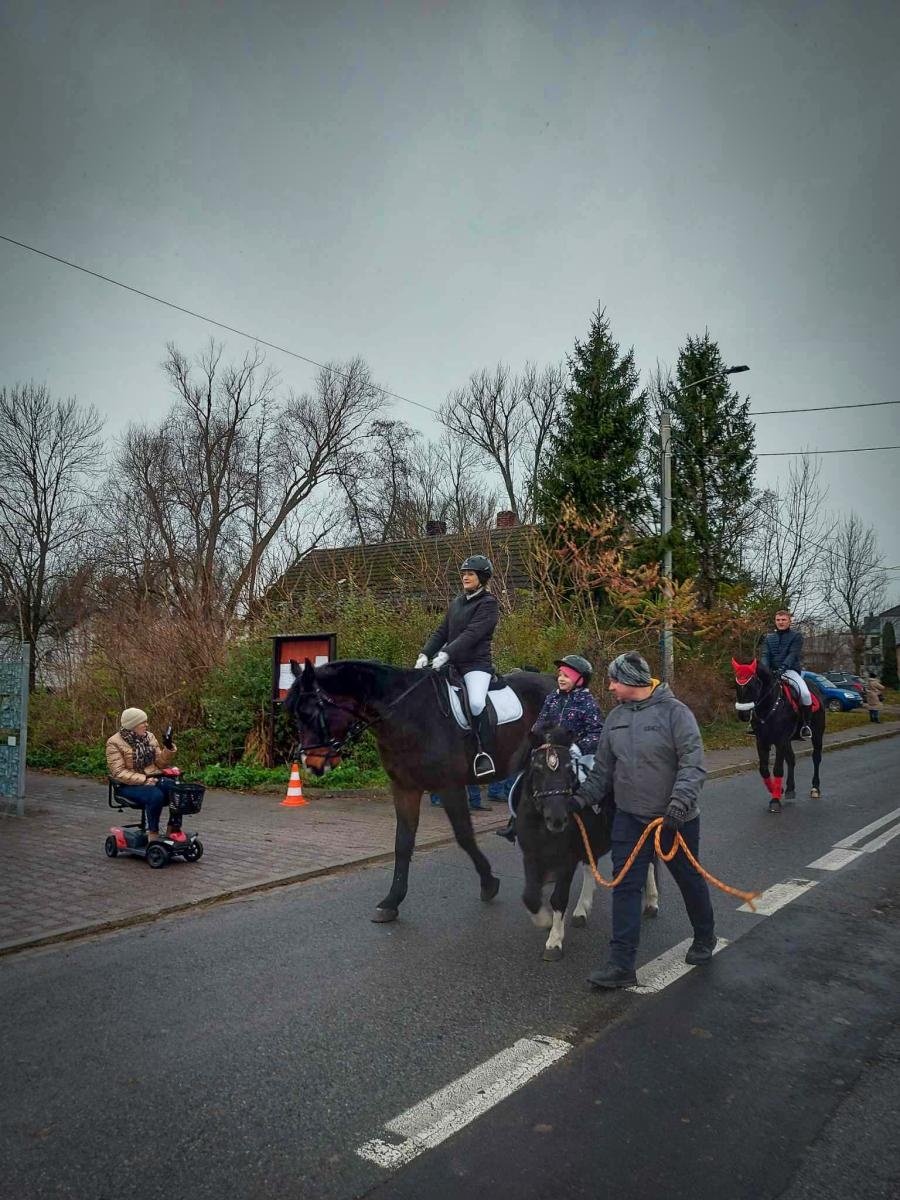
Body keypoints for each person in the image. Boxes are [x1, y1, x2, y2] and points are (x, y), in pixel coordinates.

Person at [570, 651, 715, 989]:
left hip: (674, 820)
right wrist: (579, 799)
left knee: (688, 878)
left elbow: (692, 764)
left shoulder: (675, 713)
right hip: (629, 819)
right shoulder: (615, 718)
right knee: (625, 886)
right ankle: (621, 965)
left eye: (614, 680)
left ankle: (704, 936)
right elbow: (603, 771)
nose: (609, 686)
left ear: (632, 681)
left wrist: (678, 805)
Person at [496, 654, 604, 842]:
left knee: (588, 783)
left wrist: (578, 747)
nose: (561, 678)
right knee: (524, 780)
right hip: (549, 751)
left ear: (580, 679)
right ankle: (515, 821)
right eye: (560, 674)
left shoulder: (587, 702)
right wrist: (537, 739)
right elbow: (540, 723)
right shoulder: (553, 697)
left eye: (567, 675)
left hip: (577, 754)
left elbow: (597, 732)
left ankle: (594, 825)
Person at [416, 554, 499, 776]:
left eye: (470, 574)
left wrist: (446, 652)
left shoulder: (489, 604)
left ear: (482, 577)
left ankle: (484, 753)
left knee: (475, 703)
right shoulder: (457, 603)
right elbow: (442, 631)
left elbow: (472, 634)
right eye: (463, 573)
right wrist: (425, 653)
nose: (465, 577)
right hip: (451, 665)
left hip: (476, 666)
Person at [106, 707, 178, 841]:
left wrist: (168, 748)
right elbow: (118, 772)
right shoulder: (114, 742)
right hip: (126, 785)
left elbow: (159, 764)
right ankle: (153, 835)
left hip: (152, 779)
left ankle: (173, 829)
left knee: (177, 790)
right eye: (142, 722)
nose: (146, 725)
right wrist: (144, 780)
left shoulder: (149, 737)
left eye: (146, 721)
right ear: (132, 725)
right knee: (155, 795)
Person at [760, 610, 813, 738]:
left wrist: (782, 668)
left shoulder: (797, 636)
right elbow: (765, 655)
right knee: (757, 690)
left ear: (789, 621)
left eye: (783, 620)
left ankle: (805, 725)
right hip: (772, 672)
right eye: (778, 620)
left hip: (790, 671)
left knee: (805, 694)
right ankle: (755, 723)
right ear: (775, 621)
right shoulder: (769, 638)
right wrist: (764, 670)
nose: (780, 622)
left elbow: (792, 654)